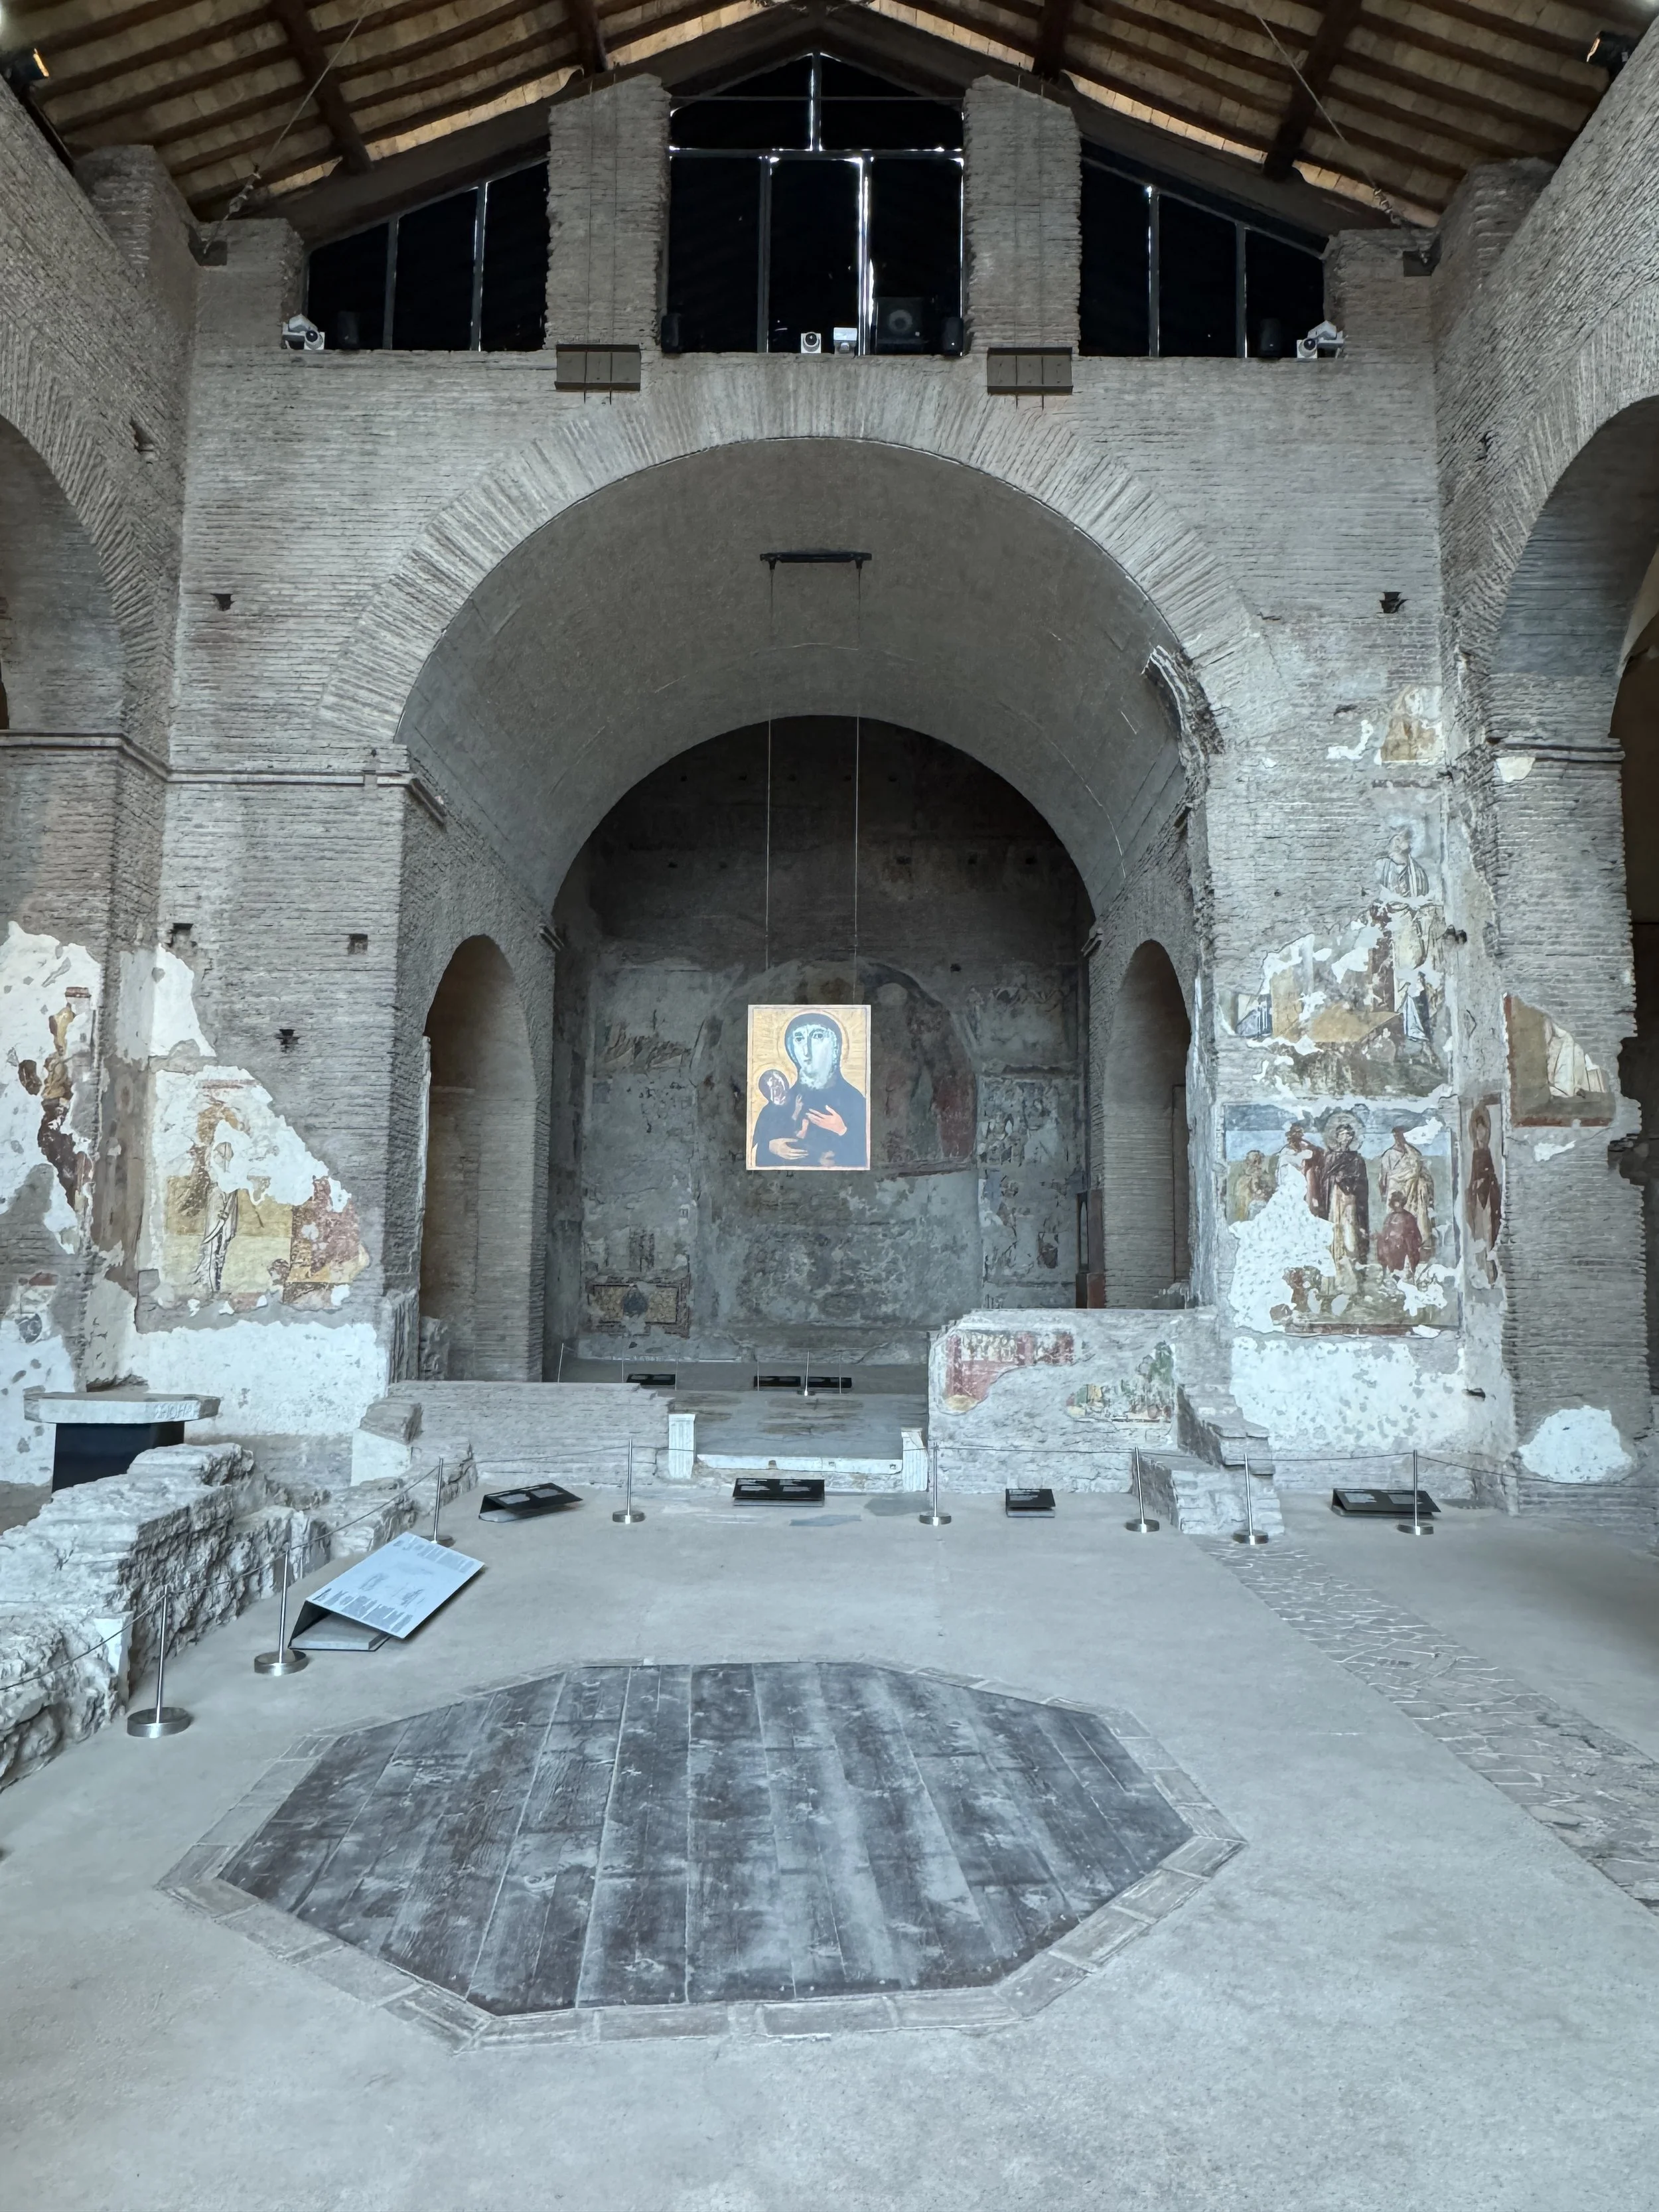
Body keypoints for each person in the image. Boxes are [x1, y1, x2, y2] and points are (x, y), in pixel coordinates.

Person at [753, 1010, 868, 1169]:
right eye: (799, 1039)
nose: (806, 1050)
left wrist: (842, 1130)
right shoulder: (781, 1103)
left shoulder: (854, 1101)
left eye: (818, 1036)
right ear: (791, 1050)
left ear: (836, 1048)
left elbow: (865, 1158)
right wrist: (771, 1148)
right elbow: (757, 1161)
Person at [1307, 1116, 1369, 1290]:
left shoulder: (1357, 1160)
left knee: (1350, 1233)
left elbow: (1362, 1184)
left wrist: (1348, 1181)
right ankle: (1333, 1276)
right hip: (1334, 1200)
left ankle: (1351, 1280)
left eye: (1349, 1135)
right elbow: (1324, 1181)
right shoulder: (1330, 1158)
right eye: (1342, 1135)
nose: (1346, 1138)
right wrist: (1335, 1179)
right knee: (1334, 1231)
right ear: (1337, 1137)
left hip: (1350, 1201)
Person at [1378, 1124, 1435, 1258]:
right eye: (1397, 1135)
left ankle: (1415, 1250)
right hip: (1396, 1190)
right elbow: (1384, 1177)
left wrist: (1421, 1183)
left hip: (1414, 1192)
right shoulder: (1389, 1155)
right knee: (1396, 1222)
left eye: (1402, 1134)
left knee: (1412, 1221)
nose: (1400, 1138)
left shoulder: (1414, 1153)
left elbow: (1423, 1172)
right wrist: (1383, 1192)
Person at [1374, 1189, 1423, 1279]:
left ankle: (1409, 1272)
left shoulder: (1409, 1217)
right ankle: (1387, 1272)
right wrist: (1383, 1237)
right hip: (1392, 1244)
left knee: (1407, 1243)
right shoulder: (1390, 1217)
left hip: (1404, 1245)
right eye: (1394, 1203)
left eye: (1398, 1202)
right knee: (1382, 1243)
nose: (1396, 1205)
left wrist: (1404, 1238)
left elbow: (1415, 1233)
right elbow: (1385, 1231)